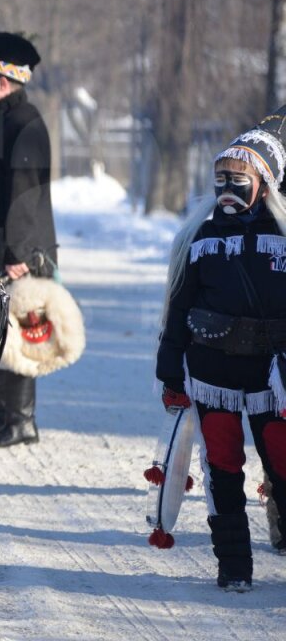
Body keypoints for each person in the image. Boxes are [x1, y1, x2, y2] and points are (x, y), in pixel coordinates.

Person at [155, 128, 286, 591]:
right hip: (213, 376)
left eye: (239, 181)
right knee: (224, 470)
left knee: (283, 465)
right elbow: (178, 309)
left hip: (273, 380)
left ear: (265, 186)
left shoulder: (284, 240)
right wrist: (169, 368)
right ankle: (233, 566)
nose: (227, 191)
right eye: (220, 181)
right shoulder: (200, 239)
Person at [0, 32, 57, 448]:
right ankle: (8, 420)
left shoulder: (24, 123)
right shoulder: (6, 121)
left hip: (22, 253)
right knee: (5, 333)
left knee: (19, 333)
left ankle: (20, 422)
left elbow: (25, 194)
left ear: (2, 83)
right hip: (5, 250)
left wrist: (19, 254)